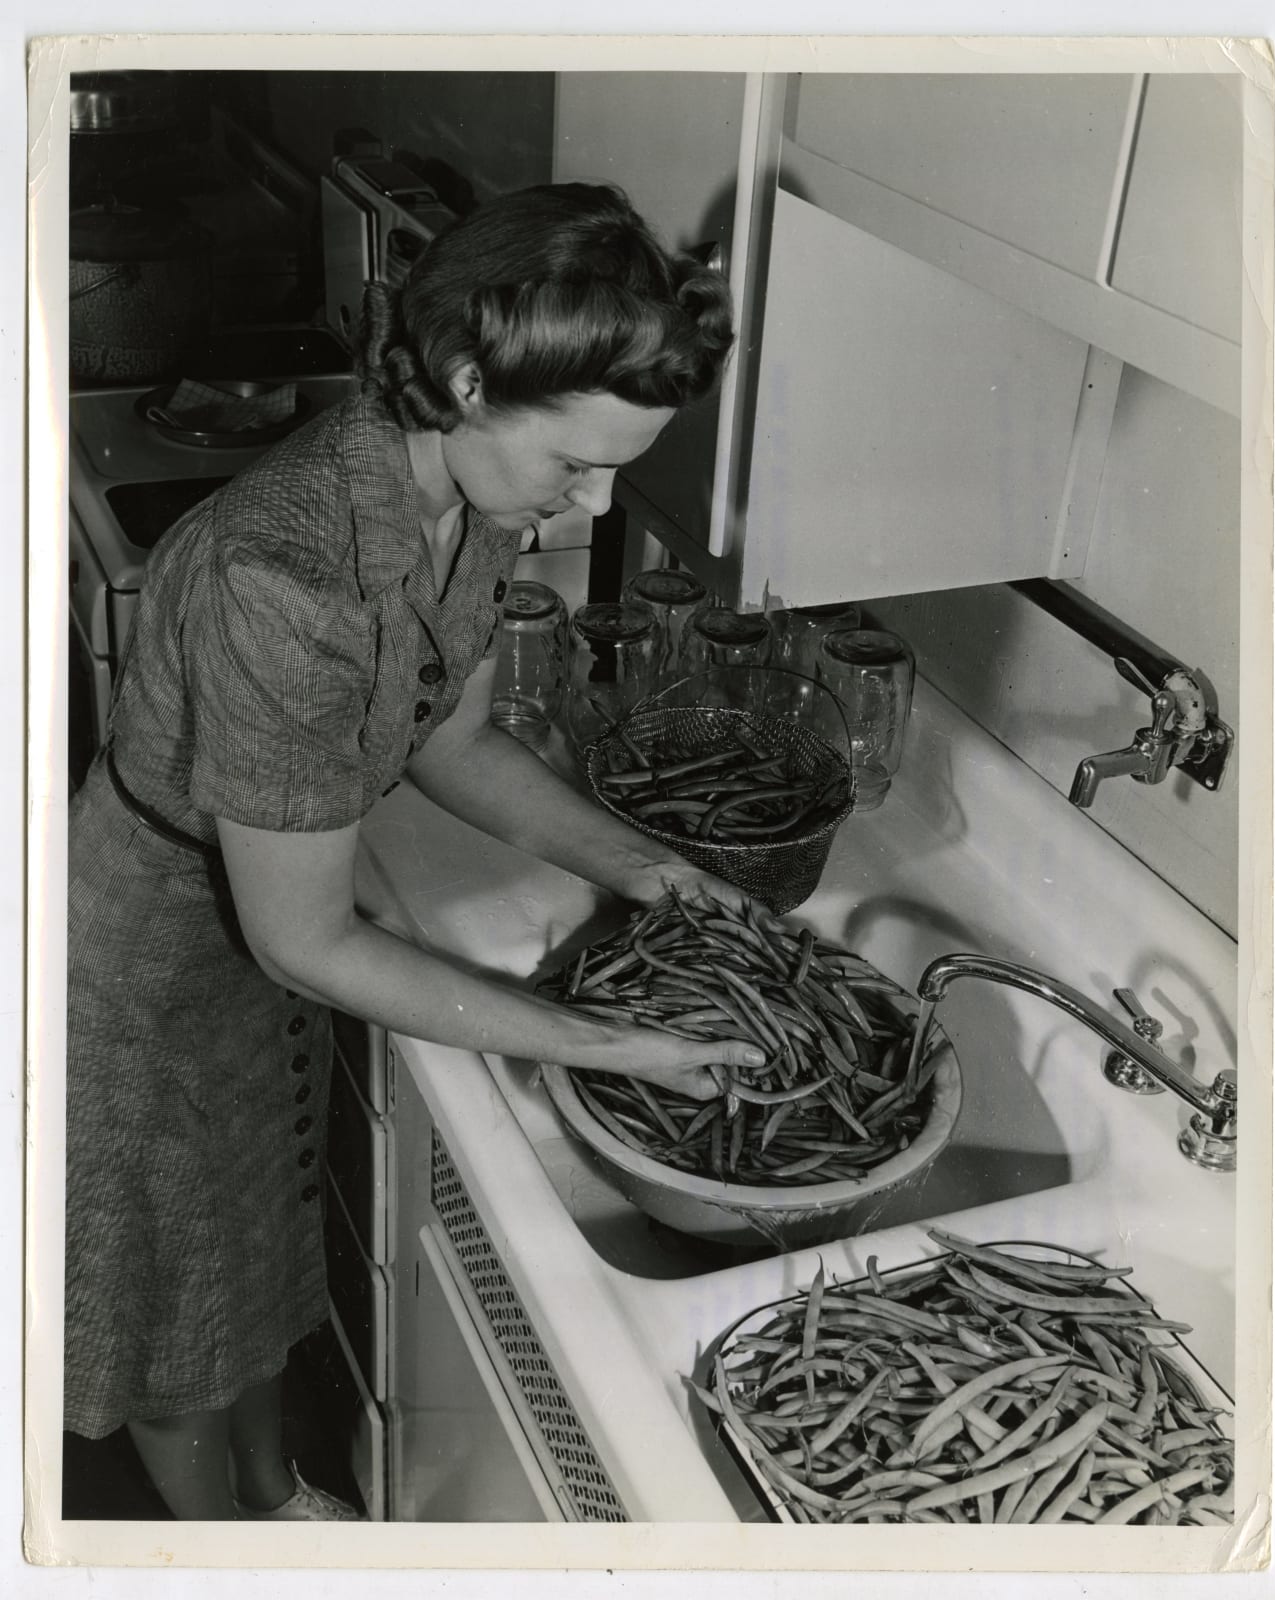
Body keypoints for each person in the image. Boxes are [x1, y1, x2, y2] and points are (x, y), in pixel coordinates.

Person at [64, 182, 769, 1521]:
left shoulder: (468, 493)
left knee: (248, 1260)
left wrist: (650, 870)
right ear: (465, 380)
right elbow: (304, 940)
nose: (592, 496)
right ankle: (223, 1556)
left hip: (255, 928)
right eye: (577, 463)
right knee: (174, 1335)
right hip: (143, 972)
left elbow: (449, 738)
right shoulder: (289, 579)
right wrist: (613, 1047)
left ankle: (274, 1494)